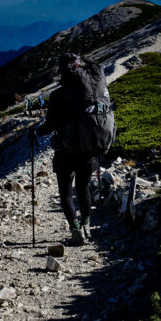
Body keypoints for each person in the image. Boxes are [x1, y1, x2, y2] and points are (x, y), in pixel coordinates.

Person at [35, 53, 99, 244]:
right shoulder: (93, 92)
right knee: (83, 188)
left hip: (66, 152)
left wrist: (37, 132)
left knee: (65, 193)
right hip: (88, 150)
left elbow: (50, 126)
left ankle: (76, 231)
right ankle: (87, 227)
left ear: (62, 73)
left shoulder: (58, 95)